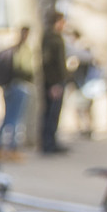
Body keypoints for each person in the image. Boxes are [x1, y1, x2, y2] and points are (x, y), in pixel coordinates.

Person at [0, 26, 32, 161]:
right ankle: (11, 148)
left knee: (8, 118)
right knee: (14, 120)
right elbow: (23, 69)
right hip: (18, 86)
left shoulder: (13, 49)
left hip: (9, 86)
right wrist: (30, 77)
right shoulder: (21, 50)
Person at [38, 10, 69, 154]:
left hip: (57, 81)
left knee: (54, 114)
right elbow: (48, 63)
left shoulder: (55, 37)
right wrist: (53, 83)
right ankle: (48, 143)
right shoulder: (50, 38)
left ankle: (51, 141)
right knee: (51, 113)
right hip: (54, 82)